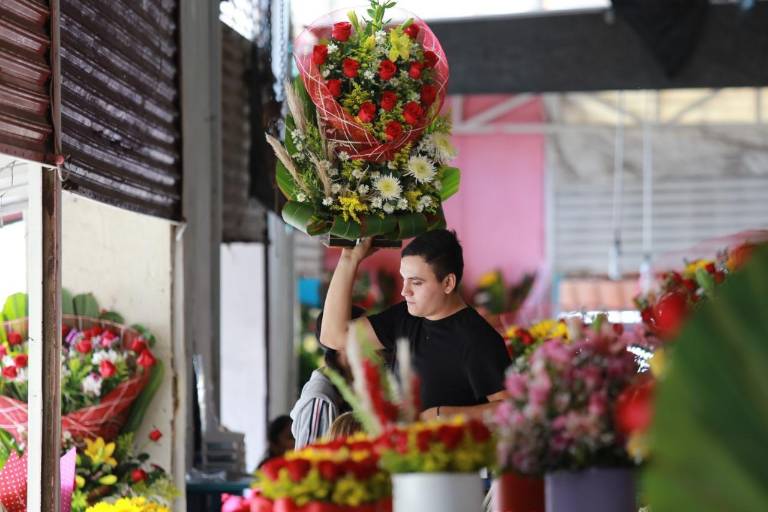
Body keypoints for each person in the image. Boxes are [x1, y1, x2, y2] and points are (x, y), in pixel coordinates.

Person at [320, 229, 510, 420]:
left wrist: (443, 414)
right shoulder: (405, 317)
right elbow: (333, 336)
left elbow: (509, 409)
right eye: (404, 279)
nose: (404, 291)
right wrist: (349, 260)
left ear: (448, 283)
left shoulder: (477, 338)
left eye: (416, 282)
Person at [290, 306, 366, 449]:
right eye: (364, 332)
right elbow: (308, 460)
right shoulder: (320, 397)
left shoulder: (352, 385)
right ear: (339, 338)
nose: (373, 338)